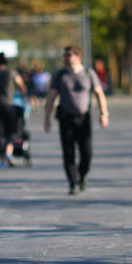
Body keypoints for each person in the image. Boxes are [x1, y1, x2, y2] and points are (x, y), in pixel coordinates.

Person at [44, 45, 109, 195]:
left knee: (87, 153)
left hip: (84, 117)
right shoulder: (60, 75)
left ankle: (82, 175)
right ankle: (73, 183)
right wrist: (47, 118)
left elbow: (99, 93)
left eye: (69, 55)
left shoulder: (88, 73)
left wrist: (104, 113)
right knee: (68, 152)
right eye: (65, 55)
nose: (66, 57)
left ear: (78, 56)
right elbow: (51, 97)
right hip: (66, 118)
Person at [0, 52, 26, 167]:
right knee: (10, 131)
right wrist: (23, 97)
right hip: (9, 105)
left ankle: (2, 156)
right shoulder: (11, 73)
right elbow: (22, 86)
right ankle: (9, 153)